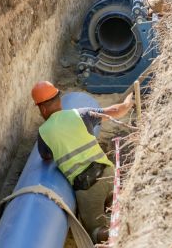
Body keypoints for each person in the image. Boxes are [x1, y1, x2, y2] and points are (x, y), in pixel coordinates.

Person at [32, 80, 134, 243]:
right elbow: (116, 111)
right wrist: (128, 102)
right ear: (59, 100)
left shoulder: (44, 132)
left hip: (88, 187)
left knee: (95, 233)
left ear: (42, 109)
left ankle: (125, 233)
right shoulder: (80, 113)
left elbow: (45, 156)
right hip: (109, 174)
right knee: (115, 202)